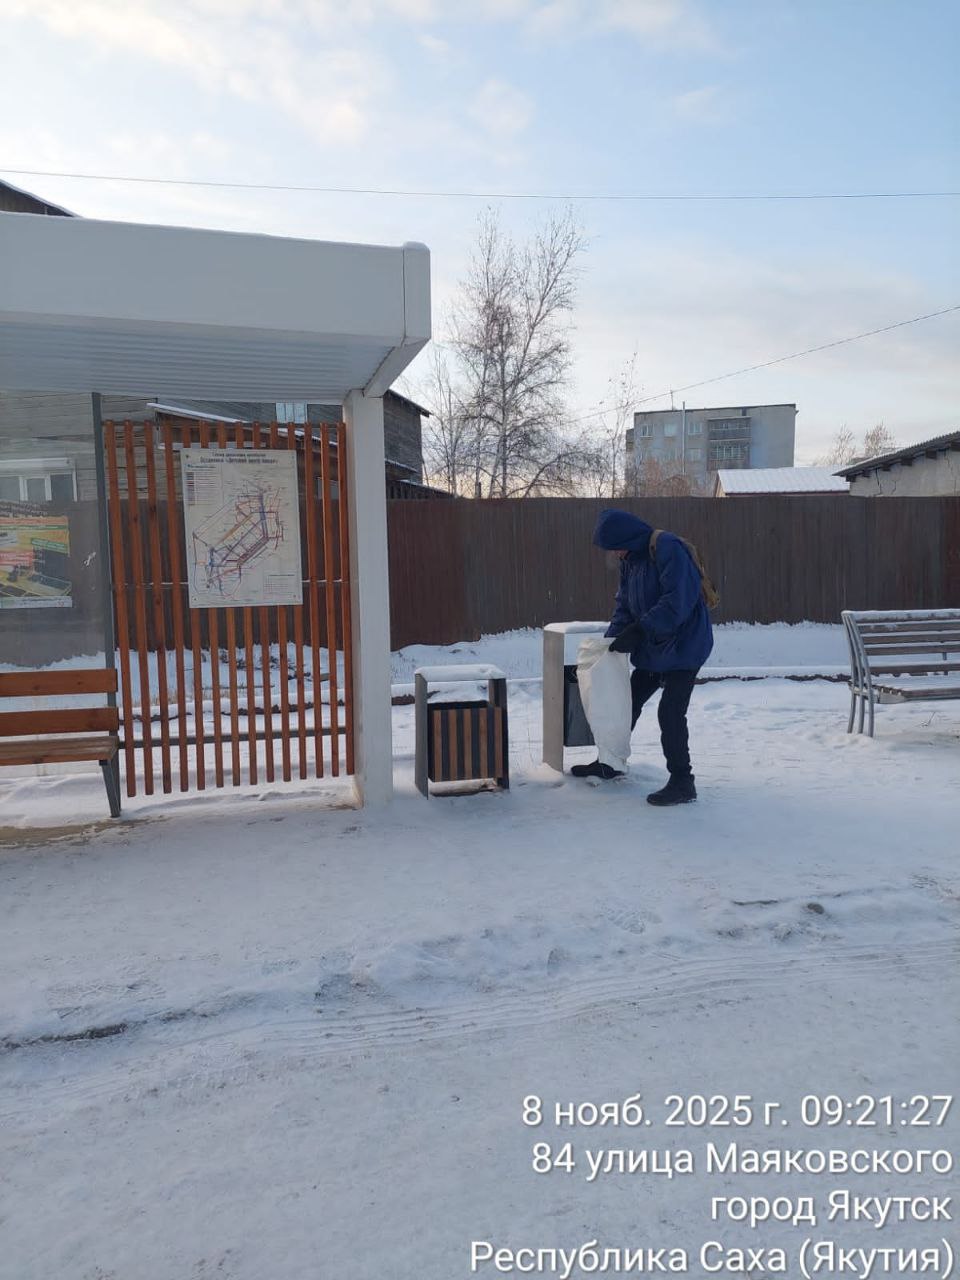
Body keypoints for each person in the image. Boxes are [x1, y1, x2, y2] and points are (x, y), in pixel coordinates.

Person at [572, 508, 714, 805]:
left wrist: (640, 630)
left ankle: (682, 781)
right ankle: (609, 763)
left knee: (670, 713)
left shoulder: (667, 549)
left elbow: (678, 602)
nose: (616, 555)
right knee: (625, 702)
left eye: (617, 547)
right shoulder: (631, 561)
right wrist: (609, 645)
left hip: (685, 646)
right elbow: (624, 604)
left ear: (629, 537)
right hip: (654, 646)